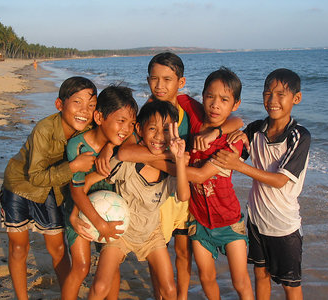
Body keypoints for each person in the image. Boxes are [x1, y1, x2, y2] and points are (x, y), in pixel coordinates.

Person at [116, 52, 243, 300]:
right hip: (159, 194)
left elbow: (234, 118)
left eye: (167, 79)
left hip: (185, 197)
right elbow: (129, 149)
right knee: (158, 248)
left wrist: (220, 131)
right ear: (148, 80)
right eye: (155, 79)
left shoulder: (190, 107)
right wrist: (170, 161)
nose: (160, 86)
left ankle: (181, 296)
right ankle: (159, 294)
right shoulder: (147, 113)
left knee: (183, 251)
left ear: (180, 83)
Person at [212, 68, 311, 300]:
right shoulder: (256, 129)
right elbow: (234, 151)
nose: (272, 101)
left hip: (284, 226)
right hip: (256, 221)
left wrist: (238, 165)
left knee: (290, 285)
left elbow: (279, 180)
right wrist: (231, 136)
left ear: (296, 98)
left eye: (280, 94)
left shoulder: (298, 136)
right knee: (261, 274)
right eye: (267, 93)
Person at [0, 76, 98, 300]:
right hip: (19, 186)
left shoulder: (88, 128)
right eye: (77, 102)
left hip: (51, 191)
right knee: (18, 247)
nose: (85, 110)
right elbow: (34, 176)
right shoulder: (44, 129)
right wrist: (73, 166)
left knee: (58, 250)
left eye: (91, 105)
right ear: (59, 104)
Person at [85, 100, 190, 300]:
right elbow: (89, 180)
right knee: (100, 286)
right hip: (121, 232)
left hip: (151, 233)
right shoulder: (127, 162)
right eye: (153, 128)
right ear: (140, 129)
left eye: (167, 130)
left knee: (169, 290)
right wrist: (80, 212)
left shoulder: (171, 169)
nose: (159, 136)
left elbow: (183, 196)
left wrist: (178, 160)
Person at [175, 67, 254, 300]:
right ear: (202, 96)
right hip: (198, 221)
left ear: (235, 104)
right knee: (206, 277)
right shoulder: (196, 116)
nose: (215, 104)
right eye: (209, 96)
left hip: (229, 221)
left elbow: (200, 176)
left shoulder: (232, 142)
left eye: (224, 100)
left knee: (240, 281)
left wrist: (170, 163)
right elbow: (171, 95)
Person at [62, 85, 138, 300]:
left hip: (112, 211)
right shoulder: (77, 146)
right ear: (99, 117)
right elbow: (77, 192)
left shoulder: (119, 144)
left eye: (131, 123)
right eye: (121, 121)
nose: (126, 128)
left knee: (112, 268)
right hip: (79, 211)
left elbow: (135, 139)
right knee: (81, 267)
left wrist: (110, 146)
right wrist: (98, 223)